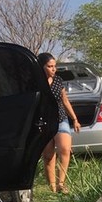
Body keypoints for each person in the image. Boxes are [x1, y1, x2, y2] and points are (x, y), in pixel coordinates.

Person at [37, 52, 80, 193]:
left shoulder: (58, 80)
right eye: (50, 66)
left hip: (61, 118)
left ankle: (61, 183)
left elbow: (65, 100)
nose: (53, 69)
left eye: (55, 66)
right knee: (48, 156)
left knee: (65, 149)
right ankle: (52, 188)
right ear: (42, 67)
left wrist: (74, 119)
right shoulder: (36, 82)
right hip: (44, 121)